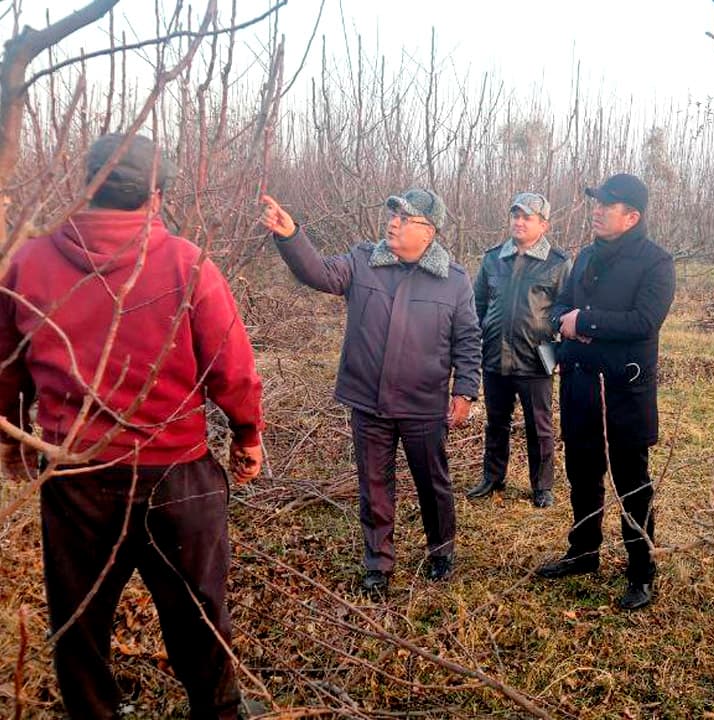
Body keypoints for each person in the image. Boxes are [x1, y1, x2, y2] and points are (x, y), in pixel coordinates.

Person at [0, 133, 264, 719]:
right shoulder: (186, 262)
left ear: (85, 187)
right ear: (157, 196)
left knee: (80, 623)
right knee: (199, 616)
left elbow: (5, 363)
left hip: (75, 478)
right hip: (177, 479)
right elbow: (232, 367)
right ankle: (217, 712)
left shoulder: (28, 262)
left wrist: (14, 437)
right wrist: (247, 434)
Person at [259, 188, 481, 594]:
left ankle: (441, 551)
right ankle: (378, 562)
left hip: (424, 404)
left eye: (404, 217)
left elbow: (468, 338)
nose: (393, 222)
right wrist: (291, 235)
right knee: (374, 484)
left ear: (428, 232)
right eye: (392, 213)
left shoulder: (454, 280)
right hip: (370, 401)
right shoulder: (364, 261)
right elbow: (318, 273)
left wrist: (464, 391)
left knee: (433, 482)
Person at [533, 173, 675, 611]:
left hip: (624, 392)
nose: (595, 210)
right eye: (595, 202)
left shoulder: (656, 263)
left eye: (606, 205)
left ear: (632, 216)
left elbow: (644, 321)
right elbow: (561, 307)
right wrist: (564, 320)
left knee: (632, 483)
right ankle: (584, 551)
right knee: (582, 472)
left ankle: (640, 570)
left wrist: (586, 323)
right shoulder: (586, 256)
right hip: (580, 387)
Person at [466, 192, 572, 508]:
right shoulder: (493, 258)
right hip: (495, 356)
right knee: (495, 421)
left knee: (539, 425)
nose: (519, 222)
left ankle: (542, 486)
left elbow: (567, 311)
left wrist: (561, 354)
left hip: (535, 358)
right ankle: (492, 478)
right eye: (516, 215)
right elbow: (478, 305)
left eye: (527, 217)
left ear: (543, 224)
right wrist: (483, 335)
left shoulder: (558, 263)